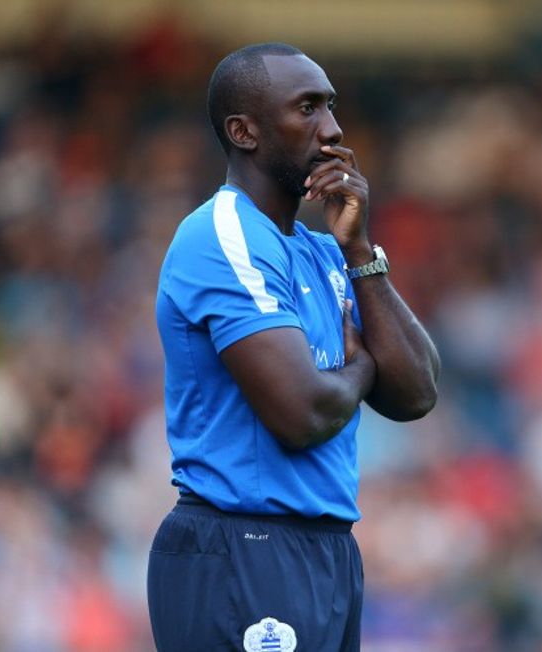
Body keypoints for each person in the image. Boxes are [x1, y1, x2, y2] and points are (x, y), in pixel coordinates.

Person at [147, 42, 440, 652]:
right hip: (243, 546)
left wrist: (361, 253)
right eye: (306, 108)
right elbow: (301, 415)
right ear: (244, 131)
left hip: (327, 551)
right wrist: (361, 368)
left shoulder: (322, 250)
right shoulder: (221, 234)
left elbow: (416, 392)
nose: (332, 130)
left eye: (330, 106)